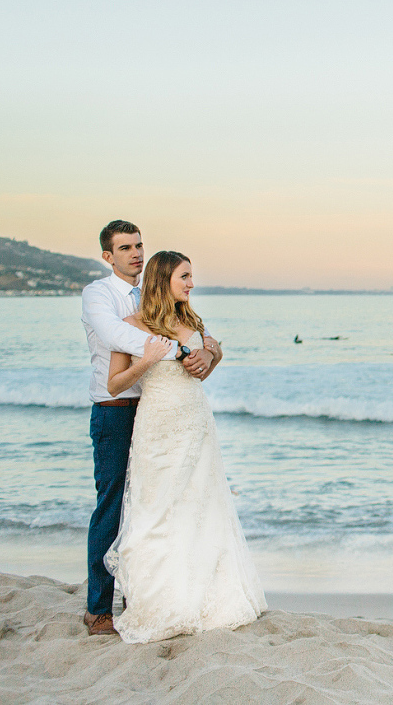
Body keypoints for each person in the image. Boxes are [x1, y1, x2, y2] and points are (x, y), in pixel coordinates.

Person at [103, 249, 266, 644]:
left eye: (191, 276)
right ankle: (158, 599)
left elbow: (206, 368)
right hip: (158, 426)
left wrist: (210, 355)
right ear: (164, 280)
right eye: (185, 277)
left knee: (200, 505)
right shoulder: (130, 324)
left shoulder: (190, 319)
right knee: (156, 509)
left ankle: (204, 594)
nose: (192, 284)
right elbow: (114, 384)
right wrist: (149, 359)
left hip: (195, 424)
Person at [80, 220, 221, 636]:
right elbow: (115, 335)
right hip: (115, 408)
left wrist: (208, 354)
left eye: (139, 245)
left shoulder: (158, 294)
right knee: (112, 504)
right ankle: (99, 608)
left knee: (153, 504)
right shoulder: (100, 295)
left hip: (158, 410)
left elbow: (207, 336)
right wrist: (179, 350)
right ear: (108, 256)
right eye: (124, 248)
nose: (135, 253)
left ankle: (148, 594)